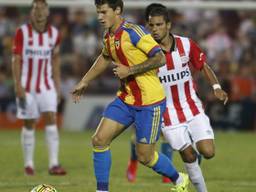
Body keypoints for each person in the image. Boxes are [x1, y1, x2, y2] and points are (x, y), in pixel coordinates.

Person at [71, 0, 189, 191]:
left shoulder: (134, 32)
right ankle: (102, 190)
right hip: (126, 99)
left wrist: (130, 70)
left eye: (103, 12)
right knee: (99, 140)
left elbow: (159, 57)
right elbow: (105, 57)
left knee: (145, 157)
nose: (99, 17)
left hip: (150, 102)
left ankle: (179, 178)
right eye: (98, 12)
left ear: (117, 10)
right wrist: (85, 80)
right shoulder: (108, 35)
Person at [128, 3, 228, 192]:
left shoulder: (186, 44)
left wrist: (216, 87)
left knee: (208, 152)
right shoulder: (144, 52)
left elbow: (203, 65)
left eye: (159, 25)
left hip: (192, 107)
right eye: (151, 25)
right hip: (167, 115)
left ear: (168, 25)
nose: (155, 29)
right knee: (188, 156)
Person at [12, 0, 66, 176]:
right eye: (36, 8)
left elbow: (56, 60)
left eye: (43, 8)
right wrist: (17, 85)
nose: (40, 11)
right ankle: (28, 164)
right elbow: (16, 60)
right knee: (29, 123)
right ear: (31, 12)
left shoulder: (54, 34)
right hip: (26, 86)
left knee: (51, 118)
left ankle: (54, 164)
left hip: (46, 85)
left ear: (48, 11)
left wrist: (57, 87)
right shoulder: (22, 32)